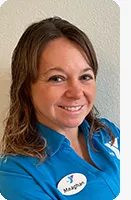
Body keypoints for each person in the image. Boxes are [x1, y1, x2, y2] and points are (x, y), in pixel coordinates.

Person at [0, 16, 120, 200]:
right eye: (57, 78)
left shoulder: (109, 132)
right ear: (26, 88)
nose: (76, 93)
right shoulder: (15, 174)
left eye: (85, 77)